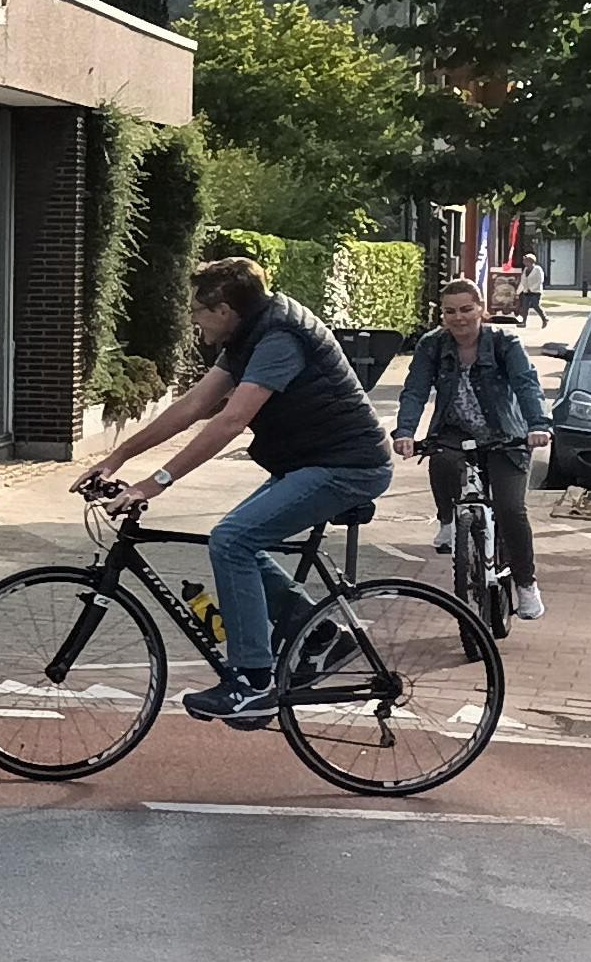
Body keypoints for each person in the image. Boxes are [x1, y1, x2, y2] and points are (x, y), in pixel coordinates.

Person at [80, 257, 394, 725]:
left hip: (348, 464)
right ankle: (319, 637)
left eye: (198, 311)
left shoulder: (279, 338)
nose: (193, 319)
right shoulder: (249, 332)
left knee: (233, 540)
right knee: (233, 539)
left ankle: (253, 682)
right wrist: (118, 456)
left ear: (224, 309)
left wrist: (155, 483)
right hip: (309, 460)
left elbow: (231, 420)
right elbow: (195, 405)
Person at [393, 277, 551, 620]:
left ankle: (526, 585)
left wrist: (538, 425)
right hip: (454, 431)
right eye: (450, 311)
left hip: (505, 435)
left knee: (510, 510)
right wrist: (404, 431)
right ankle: (449, 521)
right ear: (442, 316)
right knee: (441, 460)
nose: (459, 317)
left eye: (466, 309)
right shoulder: (431, 345)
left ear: (482, 309)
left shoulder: (504, 342)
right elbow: (415, 390)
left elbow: (526, 384)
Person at [518, 254, 548, 329]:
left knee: (535, 305)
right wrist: (517, 292)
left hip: (535, 291)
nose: (525, 263)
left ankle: (544, 319)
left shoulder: (538, 269)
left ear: (531, 261)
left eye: (526, 261)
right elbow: (523, 281)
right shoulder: (525, 270)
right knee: (525, 307)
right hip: (526, 292)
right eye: (524, 261)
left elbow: (540, 280)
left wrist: (532, 288)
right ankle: (523, 322)